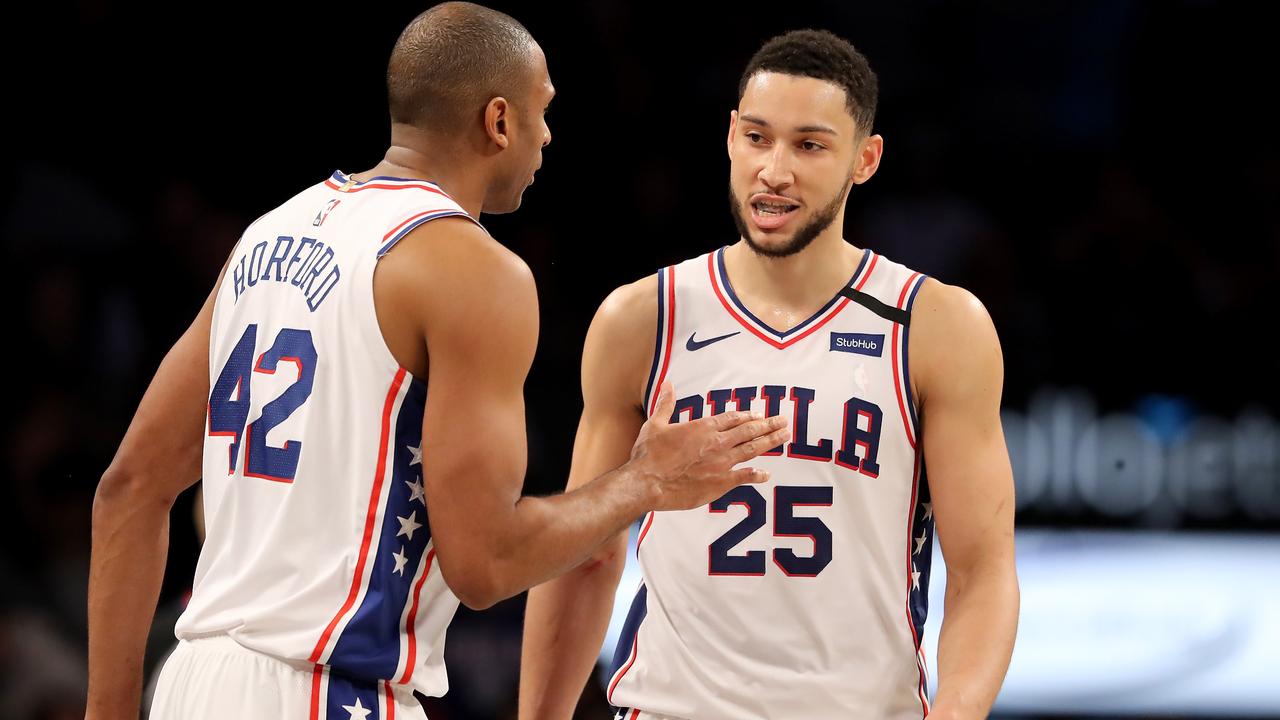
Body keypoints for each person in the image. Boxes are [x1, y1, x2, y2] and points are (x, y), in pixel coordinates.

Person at [85, 5, 789, 719]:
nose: (547, 135)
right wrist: (644, 481)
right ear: (498, 121)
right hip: (326, 687)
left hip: (191, 680)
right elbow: (485, 564)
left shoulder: (266, 235)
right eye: (541, 112)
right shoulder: (475, 269)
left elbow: (129, 488)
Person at [520, 29, 1019, 720]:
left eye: (809, 145)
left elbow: (981, 573)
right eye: (758, 137)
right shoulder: (644, 318)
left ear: (864, 160)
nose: (774, 170)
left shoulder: (933, 325)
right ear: (730, 136)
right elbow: (587, 553)